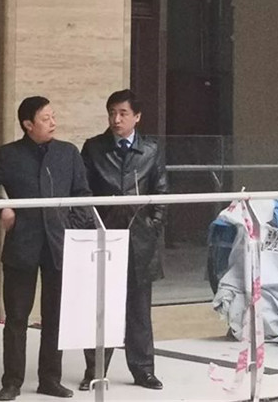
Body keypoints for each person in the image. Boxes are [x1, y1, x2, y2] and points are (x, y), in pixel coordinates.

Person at [0, 96, 92, 401]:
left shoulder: (68, 153)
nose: (53, 123)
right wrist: (2, 208)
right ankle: (12, 381)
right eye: (45, 119)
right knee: (17, 318)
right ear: (28, 125)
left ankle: (50, 379)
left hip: (58, 245)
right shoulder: (9, 155)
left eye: (53, 116)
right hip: (22, 244)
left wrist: (71, 225)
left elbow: (83, 194)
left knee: (55, 316)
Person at [78, 89, 168, 391]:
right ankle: (94, 370)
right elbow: (83, 191)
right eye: (112, 113)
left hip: (140, 238)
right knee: (101, 307)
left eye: (123, 113)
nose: (116, 119)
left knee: (139, 309)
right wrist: (91, 226)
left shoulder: (151, 150)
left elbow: (161, 192)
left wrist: (153, 226)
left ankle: (143, 370)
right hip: (103, 236)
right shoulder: (94, 148)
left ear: (137, 117)